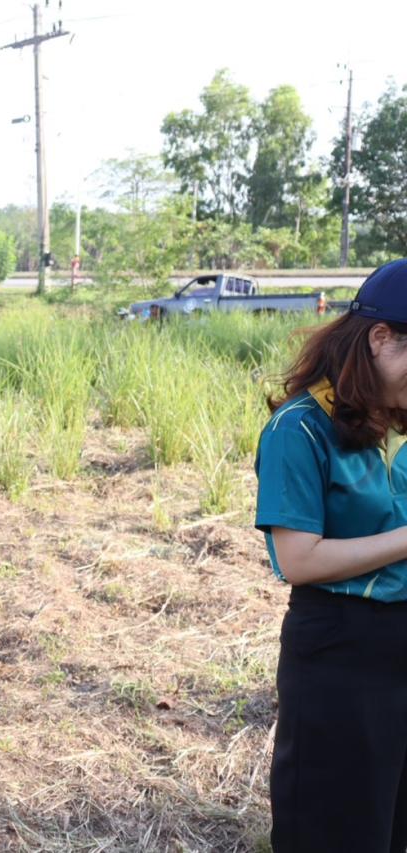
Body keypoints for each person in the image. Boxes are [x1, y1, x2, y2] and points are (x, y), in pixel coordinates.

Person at [256, 259, 407, 851]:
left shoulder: (399, 420)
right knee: (336, 828)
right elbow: (299, 560)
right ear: (380, 339)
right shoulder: (300, 428)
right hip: (342, 651)